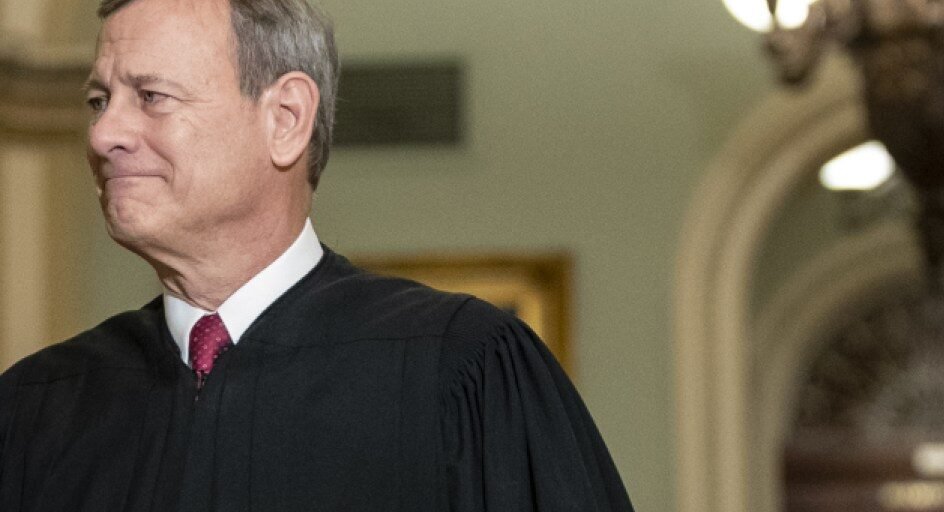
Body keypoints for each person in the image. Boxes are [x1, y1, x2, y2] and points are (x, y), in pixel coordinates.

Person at [0, 0, 634, 510]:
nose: (104, 134)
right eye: (98, 101)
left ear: (285, 119)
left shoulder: (459, 367)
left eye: (151, 96)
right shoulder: (37, 407)